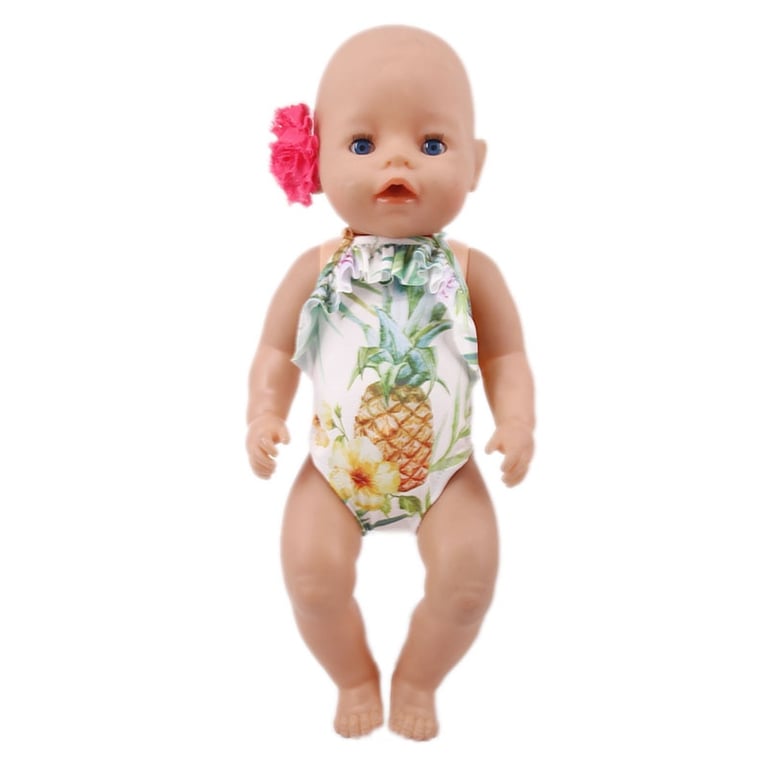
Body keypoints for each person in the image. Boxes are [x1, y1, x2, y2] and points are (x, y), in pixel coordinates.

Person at [246, 25, 535, 740]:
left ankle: (418, 677)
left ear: (475, 163)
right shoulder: (318, 268)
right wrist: (263, 412)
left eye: (432, 144)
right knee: (311, 579)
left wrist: (517, 421)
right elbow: (277, 349)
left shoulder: (470, 271)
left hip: (446, 471)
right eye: (363, 143)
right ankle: (352, 675)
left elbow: (505, 357)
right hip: (334, 469)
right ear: (316, 162)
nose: (398, 159)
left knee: (468, 584)